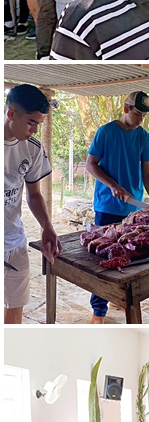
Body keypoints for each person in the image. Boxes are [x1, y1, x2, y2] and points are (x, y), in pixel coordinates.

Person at [84, 90, 149, 323]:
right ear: (127, 109)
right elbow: (91, 165)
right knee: (103, 260)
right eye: (138, 114)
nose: (141, 119)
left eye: (144, 115)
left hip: (133, 210)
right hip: (107, 205)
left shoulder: (144, 137)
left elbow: (147, 174)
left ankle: (119, 297)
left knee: (129, 258)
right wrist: (112, 185)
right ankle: (98, 310)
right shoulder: (106, 132)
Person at [4, 85, 61, 324]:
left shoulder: (33, 149)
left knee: (15, 307)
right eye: (30, 122)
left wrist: (47, 226)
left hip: (14, 242)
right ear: (11, 114)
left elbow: (34, 194)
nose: (34, 130)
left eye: (39, 124)